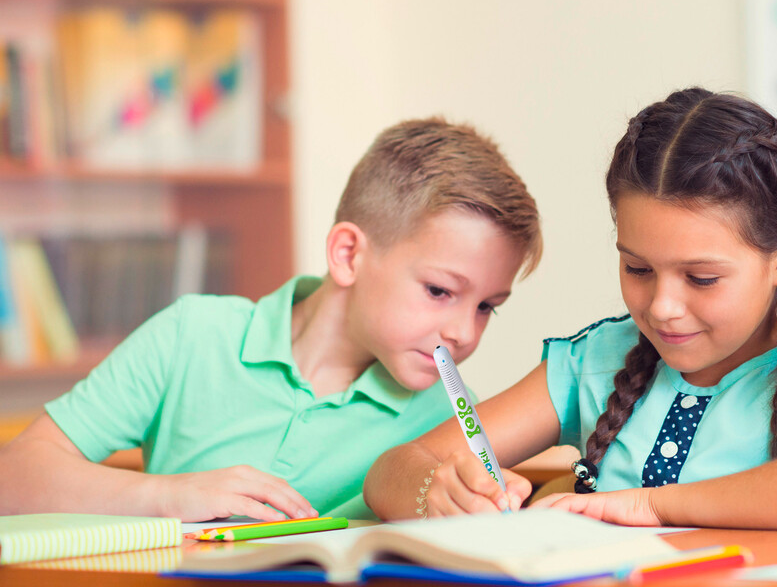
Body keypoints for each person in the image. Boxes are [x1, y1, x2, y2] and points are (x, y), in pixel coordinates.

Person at [365, 88, 777, 529]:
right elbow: (391, 470)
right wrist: (435, 491)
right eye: (638, 270)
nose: (662, 307)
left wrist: (644, 504)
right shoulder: (595, 361)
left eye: (701, 277)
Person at [0, 118, 541, 522]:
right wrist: (171, 496)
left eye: (486, 306)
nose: (464, 333)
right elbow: (13, 479)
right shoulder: (195, 336)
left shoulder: (445, 417)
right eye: (440, 290)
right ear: (349, 255)